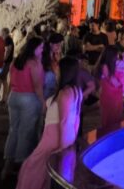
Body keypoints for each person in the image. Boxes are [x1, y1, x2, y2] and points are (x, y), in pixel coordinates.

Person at [15, 57, 82, 189]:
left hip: (55, 137)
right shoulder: (76, 90)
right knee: (43, 168)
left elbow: (64, 121)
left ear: (65, 71)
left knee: (33, 166)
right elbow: (77, 118)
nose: (56, 70)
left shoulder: (64, 93)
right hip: (60, 135)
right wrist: (72, 138)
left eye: (58, 68)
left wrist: (62, 147)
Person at [2, 37, 45, 180]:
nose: (42, 50)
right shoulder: (34, 63)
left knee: (13, 130)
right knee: (25, 133)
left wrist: (7, 95)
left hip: (14, 97)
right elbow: (38, 86)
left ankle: (7, 165)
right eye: (41, 47)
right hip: (28, 98)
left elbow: (9, 80)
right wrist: (43, 103)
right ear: (34, 48)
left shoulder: (16, 61)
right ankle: (22, 166)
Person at [96, 47, 124, 130]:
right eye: (116, 55)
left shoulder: (109, 65)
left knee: (114, 114)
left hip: (111, 93)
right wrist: (122, 85)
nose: (117, 57)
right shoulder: (105, 66)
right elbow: (111, 80)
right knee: (110, 115)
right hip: (109, 94)